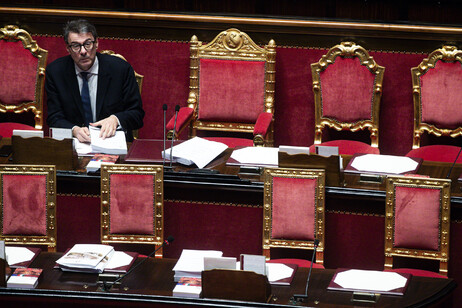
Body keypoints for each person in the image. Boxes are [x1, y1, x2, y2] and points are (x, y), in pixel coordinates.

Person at [45, 19, 144, 142]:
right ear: (68, 48)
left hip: (111, 141)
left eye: (88, 43)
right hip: (75, 142)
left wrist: (115, 119)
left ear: (96, 43)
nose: (83, 51)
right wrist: (74, 130)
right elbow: (54, 117)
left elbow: (137, 114)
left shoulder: (120, 69)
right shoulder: (56, 72)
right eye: (76, 46)